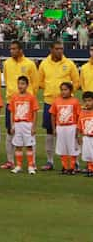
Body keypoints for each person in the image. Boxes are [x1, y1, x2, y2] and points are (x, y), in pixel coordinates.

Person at [38, 41, 80, 170]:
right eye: (57, 49)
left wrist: (67, 94)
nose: (60, 51)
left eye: (61, 49)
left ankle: (75, 161)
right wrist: (51, 92)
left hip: (67, 105)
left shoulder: (69, 64)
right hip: (50, 102)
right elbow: (40, 82)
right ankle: (50, 161)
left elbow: (77, 82)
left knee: (72, 132)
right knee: (50, 132)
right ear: (51, 49)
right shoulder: (44, 64)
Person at [1, 41, 38, 170]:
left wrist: (28, 98)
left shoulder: (29, 64)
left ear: (21, 50)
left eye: (14, 49)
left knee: (29, 134)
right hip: (12, 102)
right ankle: (11, 161)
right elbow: (6, 80)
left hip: (26, 103)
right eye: (10, 49)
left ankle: (32, 163)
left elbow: (35, 83)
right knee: (10, 131)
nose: (11, 51)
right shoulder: (7, 63)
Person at [8, 76, 39, 175]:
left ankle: (31, 166)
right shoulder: (14, 97)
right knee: (18, 145)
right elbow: (12, 112)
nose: (20, 86)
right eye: (19, 84)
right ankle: (18, 165)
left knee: (29, 146)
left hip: (27, 124)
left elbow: (35, 112)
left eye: (22, 84)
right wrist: (12, 125)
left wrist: (33, 126)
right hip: (17, 124)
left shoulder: (31, 97)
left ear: (27, 85)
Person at [51, 81, 81, 175]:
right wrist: (54, 128)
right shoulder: (57, 101)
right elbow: (53, 115)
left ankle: (72, 167)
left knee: (72, 147)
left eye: (65, 90)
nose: (63, 92)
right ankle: (64, 167)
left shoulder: (75, 101)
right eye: (62, 90)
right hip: (60, 127)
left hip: (71, 127)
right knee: (62, 147)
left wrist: (77, 130)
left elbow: (79, 116)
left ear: (71, 90)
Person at [78, 91, 93, 177]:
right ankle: (90, 169)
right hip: (86, 137)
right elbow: (79, 125)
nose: (87, 103)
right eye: (86, 101)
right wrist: (79, 136)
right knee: (88, 154)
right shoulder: (82, 112)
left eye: (90, 101)